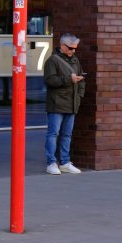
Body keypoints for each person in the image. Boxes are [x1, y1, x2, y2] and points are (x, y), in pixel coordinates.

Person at [44, 32, 86, 175]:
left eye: (75, 48)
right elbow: (50, 81)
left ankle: (65, 162)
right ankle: (51, 163)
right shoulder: (53, 60)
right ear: (62, 46)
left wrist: (79, 96)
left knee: (67, 135)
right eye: (70, 48)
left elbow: (82, 81)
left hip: (72, 102)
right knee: (53, 133)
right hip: (56, 103)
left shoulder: (75, 60)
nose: (73, 51)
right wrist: (69, 79)